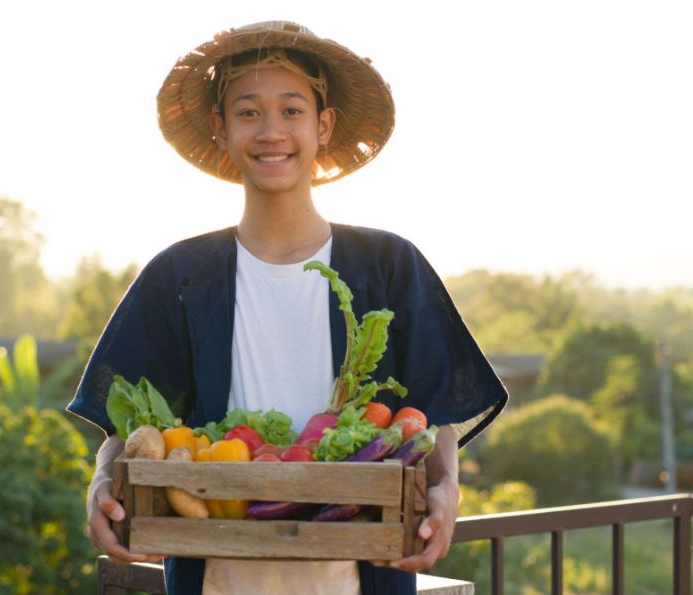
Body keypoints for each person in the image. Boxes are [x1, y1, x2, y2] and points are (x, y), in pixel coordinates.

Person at [67, 21, 508, 595]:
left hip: (360, 569)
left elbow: (434, 419)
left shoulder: (388, 263)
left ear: (322, 126)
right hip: (214, 570)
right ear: (220, 130)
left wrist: (446, 492)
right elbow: (127, 430)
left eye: (292, 110)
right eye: (248, 112)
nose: (271, 131)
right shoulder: (179, 274)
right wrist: (101, 483)